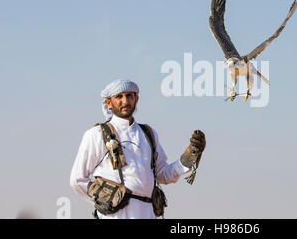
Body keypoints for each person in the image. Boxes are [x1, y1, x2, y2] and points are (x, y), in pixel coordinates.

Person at [70, 79, 206, 219]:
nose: (125, 101)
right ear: (108, 103)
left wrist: (189, 156)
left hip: (147, 211)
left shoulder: (148, 134)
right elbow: (77, 179)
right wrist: (102, 202)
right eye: (119, 97)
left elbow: (163, 174)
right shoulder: (97, 134)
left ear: (137, 98)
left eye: (130, 95)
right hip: (115, 214)